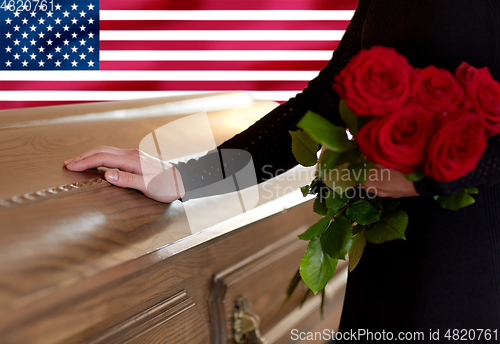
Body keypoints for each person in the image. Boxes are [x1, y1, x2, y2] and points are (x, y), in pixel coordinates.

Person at [65, 0, 500, 342]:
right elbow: (329, 94)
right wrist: (187, 178)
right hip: (394, 251)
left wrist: (432, 176)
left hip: (475, 258)